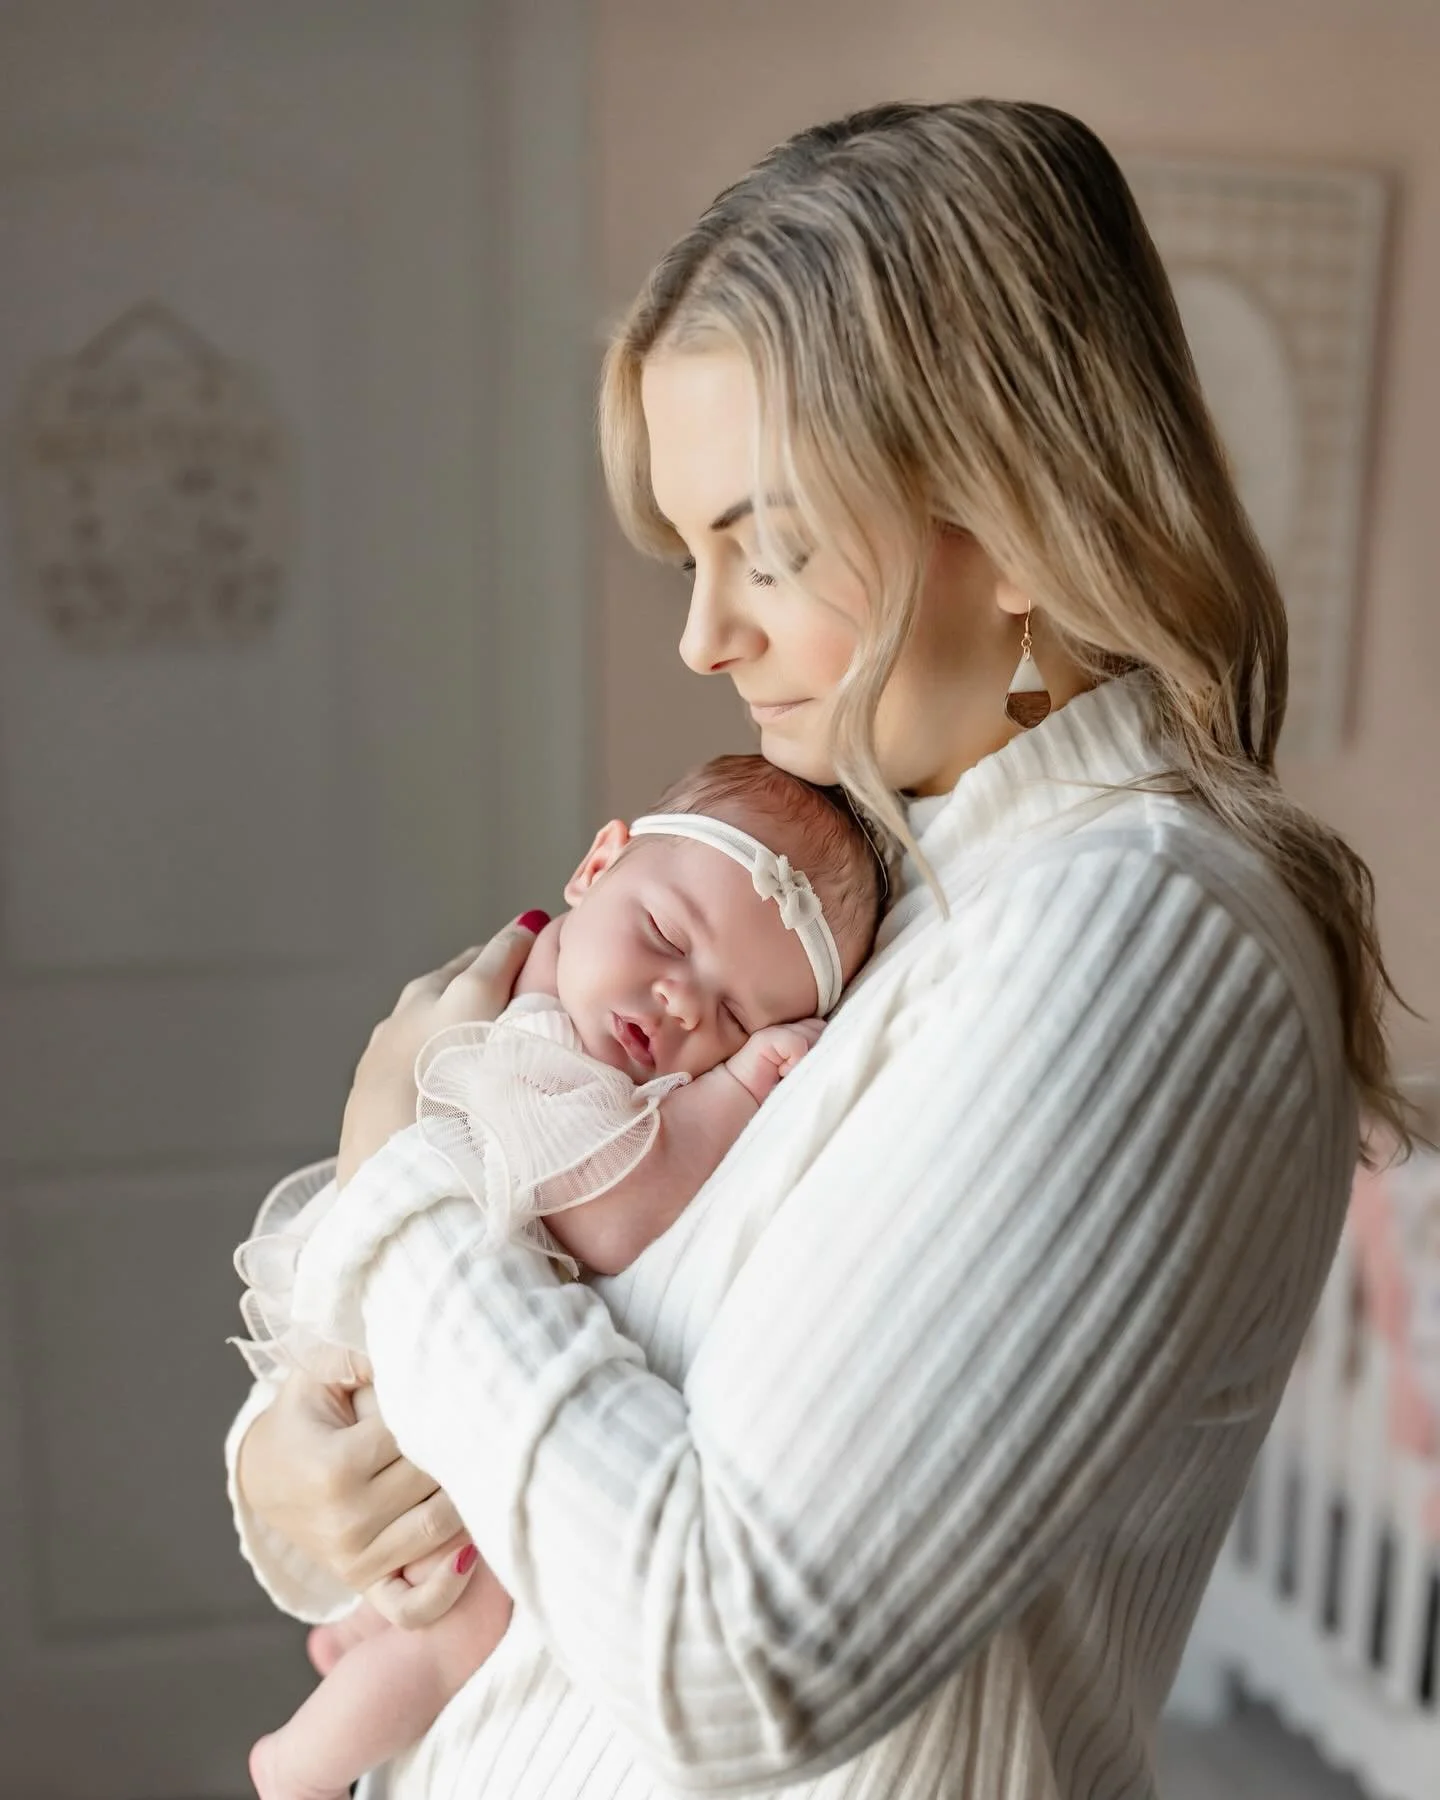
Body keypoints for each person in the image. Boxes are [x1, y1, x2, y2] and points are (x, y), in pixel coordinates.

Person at [226, 100, 1409, 1799]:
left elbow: (739, 1648)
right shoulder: (902, 901)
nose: (707, 636)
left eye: (763, 549)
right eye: (691, 559)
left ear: (1005, 521)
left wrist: (393, 1170)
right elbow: (575, 1331)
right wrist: (301, 1474)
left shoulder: (1141, 929)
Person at [233, 755, 882, 1800]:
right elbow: (608, 1208)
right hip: (399, 1341)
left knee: (440, 1576)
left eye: (736, 1020)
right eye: (669, 939)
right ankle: (299, 1765)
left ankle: (357, 1640)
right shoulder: (538, 1036)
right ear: (595, 865)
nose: (679, 1004)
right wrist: (738, 1088)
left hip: (415, 1339)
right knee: (462, 1628)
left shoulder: (539, 995)